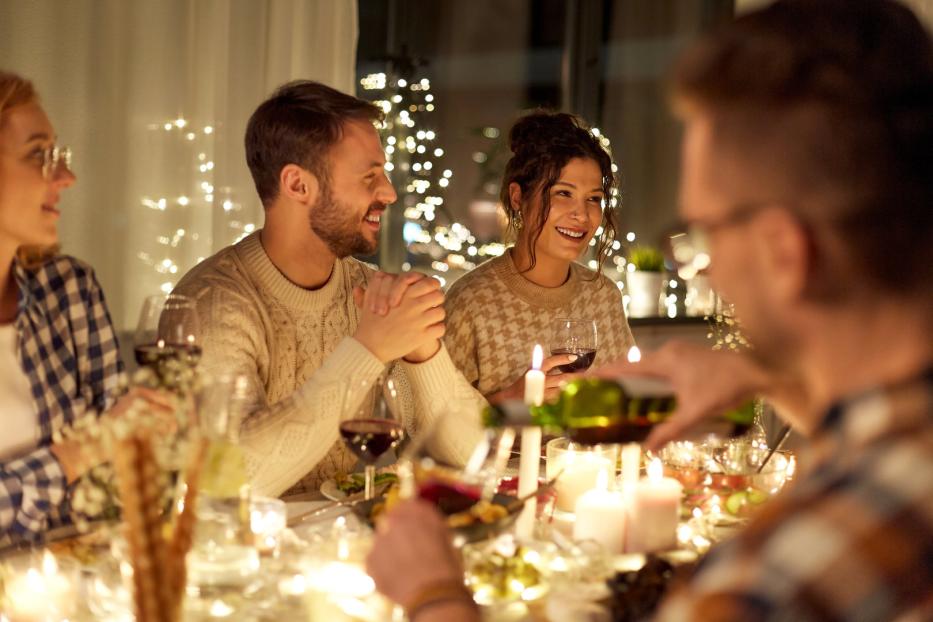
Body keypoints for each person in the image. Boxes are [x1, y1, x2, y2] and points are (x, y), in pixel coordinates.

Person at [366, 1, 933, 620]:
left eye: (708, 231)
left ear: (783, 251)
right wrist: (765, 379)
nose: (707, 267)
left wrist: (434, 593)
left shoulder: (770, 581)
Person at [173, 80, 485, 497]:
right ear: (298, 185)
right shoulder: (211, 305)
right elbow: (229, 483)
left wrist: (421, 352)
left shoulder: (366, 291)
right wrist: (367, 350)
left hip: (339, 543)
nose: (389, 192)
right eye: (369, 176)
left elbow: (475, 453)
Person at [0, 71, 168, 544]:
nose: (67, 177)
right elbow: (98, 446)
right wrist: (80, 453)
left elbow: (116, 474)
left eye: (59, 156)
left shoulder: (69, 288)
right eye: (38, 155)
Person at [444, 111, 635, 404]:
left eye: (594, 198)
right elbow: (433, 428)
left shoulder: (603, 296)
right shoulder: (471, 301)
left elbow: (625, 402)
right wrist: (510, 399)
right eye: (563, 193)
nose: (582, 215)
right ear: (518, 198)